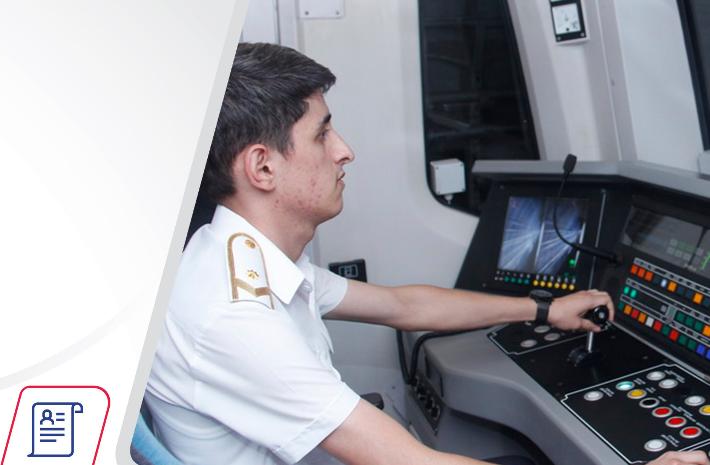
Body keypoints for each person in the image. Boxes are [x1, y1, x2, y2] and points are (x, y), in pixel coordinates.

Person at [144, 42, 710, 465]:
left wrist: (543, 309)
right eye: (322, 135)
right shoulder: (233, 315)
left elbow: (403, 306)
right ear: (262, 167)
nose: (345, 151)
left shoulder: (247, 257)